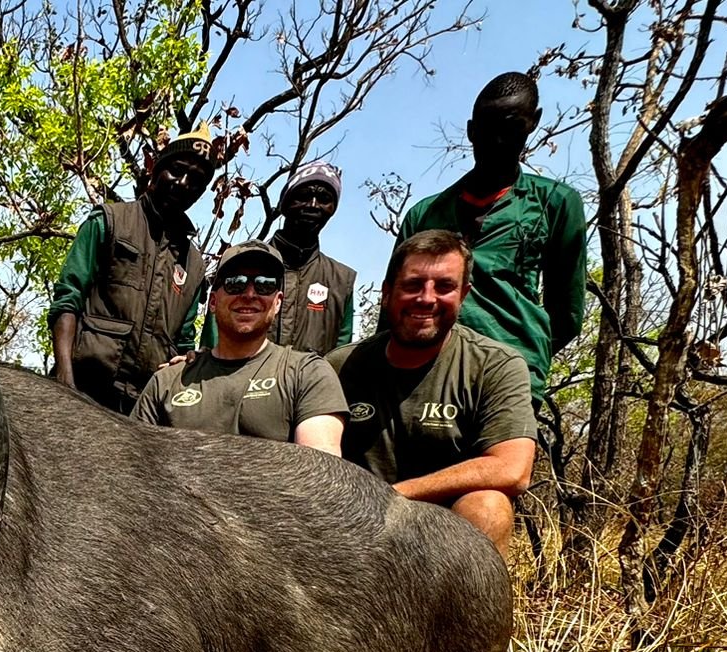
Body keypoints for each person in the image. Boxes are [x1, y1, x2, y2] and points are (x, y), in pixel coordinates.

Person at [329, 229, 536, 554]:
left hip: (444, 535)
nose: (426, 298)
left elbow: (512, 469)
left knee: (489, 506)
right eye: (412, 285)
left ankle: (469, 605)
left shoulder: (496, 364)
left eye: (444, 286)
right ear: (386, 293)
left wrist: (393, 497)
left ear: (463, 294)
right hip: (354, 529)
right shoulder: (340, 366)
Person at [395, 72, 587, 406]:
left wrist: (519, 352)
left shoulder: (556, 203)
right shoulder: (424, 215)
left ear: (533, 123)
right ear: (471, 131)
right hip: (424, 376)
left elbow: (566, 314)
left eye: (511, 128)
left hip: (511, 381)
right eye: (485, 130)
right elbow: (395, 306)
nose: (496, 141)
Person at [49, 132, 212, 414]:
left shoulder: (194, 264)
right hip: (83, 389)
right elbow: (68, 299)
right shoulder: (109, 221)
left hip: (145, 407)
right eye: (176, 171)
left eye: (196, 181)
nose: (183, 183)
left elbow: (184, 340)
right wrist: (65, 383)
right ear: (155, 169)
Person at [132, 240, 347, 453]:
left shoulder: (309, 375)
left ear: (278, 301)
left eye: (265, 285)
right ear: (213, 302)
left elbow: (321, 472)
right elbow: (133, 466)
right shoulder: (167, 382)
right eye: (235, 283)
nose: (249, 294)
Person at [201, 161, 355, 354]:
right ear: (284, 203)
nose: (313, 205)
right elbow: (211, 343)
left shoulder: (342, 281)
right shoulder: (241, 260)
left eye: (324, 198)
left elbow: (340, 357)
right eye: (304, 196)